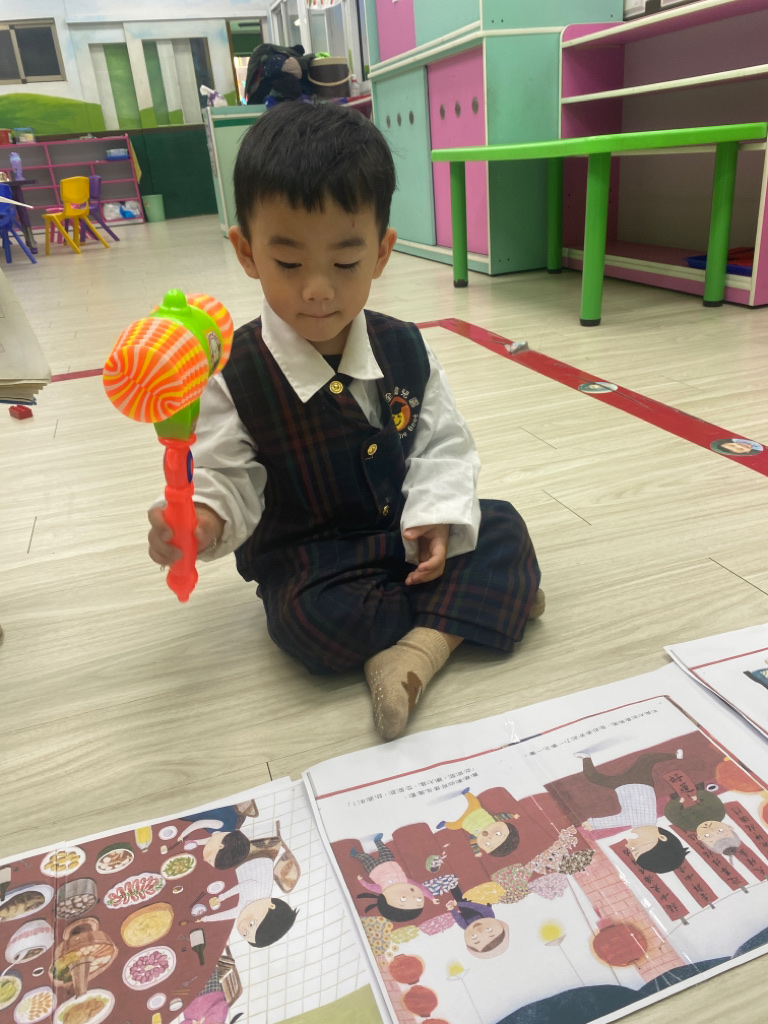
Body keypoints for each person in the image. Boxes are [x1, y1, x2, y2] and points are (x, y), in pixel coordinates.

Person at [147, 101, 543, 741]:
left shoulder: (405, 345)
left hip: (403, 538)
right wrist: (202, 521)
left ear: (382, 253)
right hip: (315, 564)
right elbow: (226, 475)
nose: (317, 289)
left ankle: (420, 649)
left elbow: (441, 443)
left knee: (500, 524)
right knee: (309, 624)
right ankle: (480, 605)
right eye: (289, 263)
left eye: (345, 262)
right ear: (246, 252)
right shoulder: (232, 372)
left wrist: (436, 518)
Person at [579, 750, 689, 873]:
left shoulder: (643, 823)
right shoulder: (644, 821)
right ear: (662, 837)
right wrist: (593, 824)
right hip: (637, 783)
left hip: (625, 786)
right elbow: (622, 819)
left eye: (632, 850)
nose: (628, 845)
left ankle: (586, 758)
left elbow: (624, 818)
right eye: (636, 848)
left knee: (595, 777)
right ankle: (675, 755)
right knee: (645, 759)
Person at [352, 833, 439, 922]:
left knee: (366, 858)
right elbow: (420, 888)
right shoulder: (406, 882)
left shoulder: (384, 889)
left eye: (403, 899)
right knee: (386, 852)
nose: (412, 896)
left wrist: (361, 881)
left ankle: (356, 854)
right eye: (419, 899)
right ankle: (378, 841)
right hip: (389, 862)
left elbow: (371, 887)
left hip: (374, 869)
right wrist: (431, 898)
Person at [435, 788, 520, 858]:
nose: (490, 837)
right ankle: (466, 794)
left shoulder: (476, 835)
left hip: (463, 822)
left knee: (454, 826)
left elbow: (473, 843)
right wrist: (513, 816)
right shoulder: (494, 820)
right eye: (498, 833)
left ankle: (444, 824)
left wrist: (476, 852)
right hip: (475, 809)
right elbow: (502, 816)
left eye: (487, 844)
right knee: (474, 801)